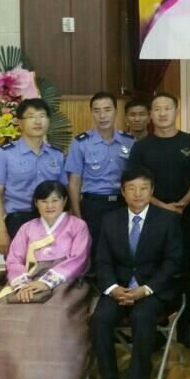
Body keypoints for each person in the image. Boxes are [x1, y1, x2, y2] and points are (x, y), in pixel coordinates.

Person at [127, 92, 190, 342]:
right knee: (154, 270)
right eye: (157, 109)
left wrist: (184, 202)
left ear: (177, 111)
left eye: (167, 108)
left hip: (188, 217)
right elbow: (135, 185)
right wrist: (163, 207)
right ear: (151, 114)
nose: (162, 113)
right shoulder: (141, 147)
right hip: (152, 219)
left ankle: (189, 331)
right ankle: (154, 333)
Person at [92, 167, 183, 379]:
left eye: (143, 188)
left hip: (153, 289)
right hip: (119, 289)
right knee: (100, 319)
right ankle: (109, 377)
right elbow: (102, 261)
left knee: (141, 317)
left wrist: (146, 289)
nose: (138, 194)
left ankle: (138, 376)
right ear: (123, 192)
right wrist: (113, 289)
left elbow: (173, 262)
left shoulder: (168, 219)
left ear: (152, 191)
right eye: (131, 188)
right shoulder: (110, 220)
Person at [0, 181, 91, 379]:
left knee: (52, 320)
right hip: (28, 279)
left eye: (55, 200)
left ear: (64, 201)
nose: (50, 205)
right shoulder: (27, 228)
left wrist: (46, 282)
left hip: (65, 282)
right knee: (3, 316)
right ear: (36, 203)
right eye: (44, 201)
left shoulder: (78, 225)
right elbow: (14, 259)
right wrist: (22, 285)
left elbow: (79, 259)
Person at [65, 92, 134, 257]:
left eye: (107, 110)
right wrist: (77, 214)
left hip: (122, 204)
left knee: (121, 251)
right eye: (97, 111)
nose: (102, 116)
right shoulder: (81, 142)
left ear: (116, 111)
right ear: (92, 113)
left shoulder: (129, 141)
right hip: (93, 205)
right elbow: (74, 182)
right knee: (94, 252)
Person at [0, 98, 68, 253]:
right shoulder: (4, 154)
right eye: (31, 116)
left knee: (53, 265)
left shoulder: (56, 155)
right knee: (20, 266)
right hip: (18, 220)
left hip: (51, 221)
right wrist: (0, 230)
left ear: (48, 121)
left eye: (42, 116)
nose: (37, 121)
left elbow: (63, 193)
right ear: (20, 123)